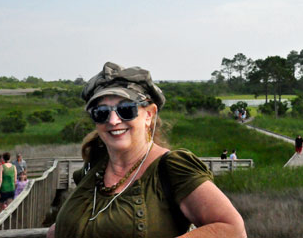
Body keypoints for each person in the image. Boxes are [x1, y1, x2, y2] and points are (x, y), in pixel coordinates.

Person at [48, 62, 246, 238]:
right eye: (101, 112)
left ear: (149, 114)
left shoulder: (172, 167)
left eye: (126, 110)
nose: (113, 120)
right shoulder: (94, 166)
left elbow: (232, 229)